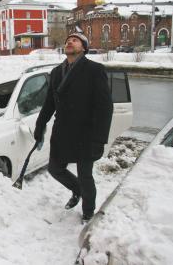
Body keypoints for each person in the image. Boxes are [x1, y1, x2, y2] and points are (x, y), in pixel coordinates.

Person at [34, 32, 113, 223]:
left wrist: (100, 138)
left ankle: (88, 213)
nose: (70, 41)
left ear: (84, 48)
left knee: (85, 175)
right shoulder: (56, 72)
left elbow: (105, 106)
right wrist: (40, 125)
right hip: (62, 131)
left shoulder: (94, 69)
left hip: (86, 132)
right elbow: (49, 103)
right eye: (68, 40)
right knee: (55, 168)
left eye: (75, 40)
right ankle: (76, 190)